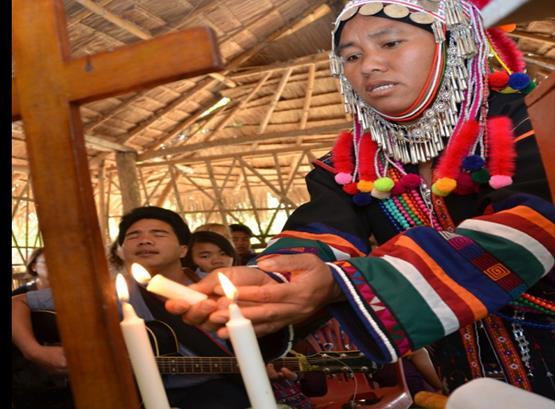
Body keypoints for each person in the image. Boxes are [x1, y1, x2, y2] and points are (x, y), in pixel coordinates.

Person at [166, 0, 555, 401]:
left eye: (389, 43)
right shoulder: (350, 165)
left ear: (454, 43)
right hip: (465, 385)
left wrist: (340, 283)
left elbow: (531, 226)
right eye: (351, 56)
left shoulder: (537, 121)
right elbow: (321, 234)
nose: (367, 65)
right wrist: (272, 284)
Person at [12, 206, 251, 409]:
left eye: (158, 233)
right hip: (129, 395)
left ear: (183, 249)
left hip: (211, 391)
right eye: (134, 235)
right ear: (122, 248)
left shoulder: (215, 287)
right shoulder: (108, 292)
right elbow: (17, 302)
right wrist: (35, 351)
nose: (145, 240)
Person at [184, 230, 314, 408]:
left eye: (223, 253)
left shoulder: (254, 284)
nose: (216, 260)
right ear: (187, 256)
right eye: (205, 255)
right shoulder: (189, 293)